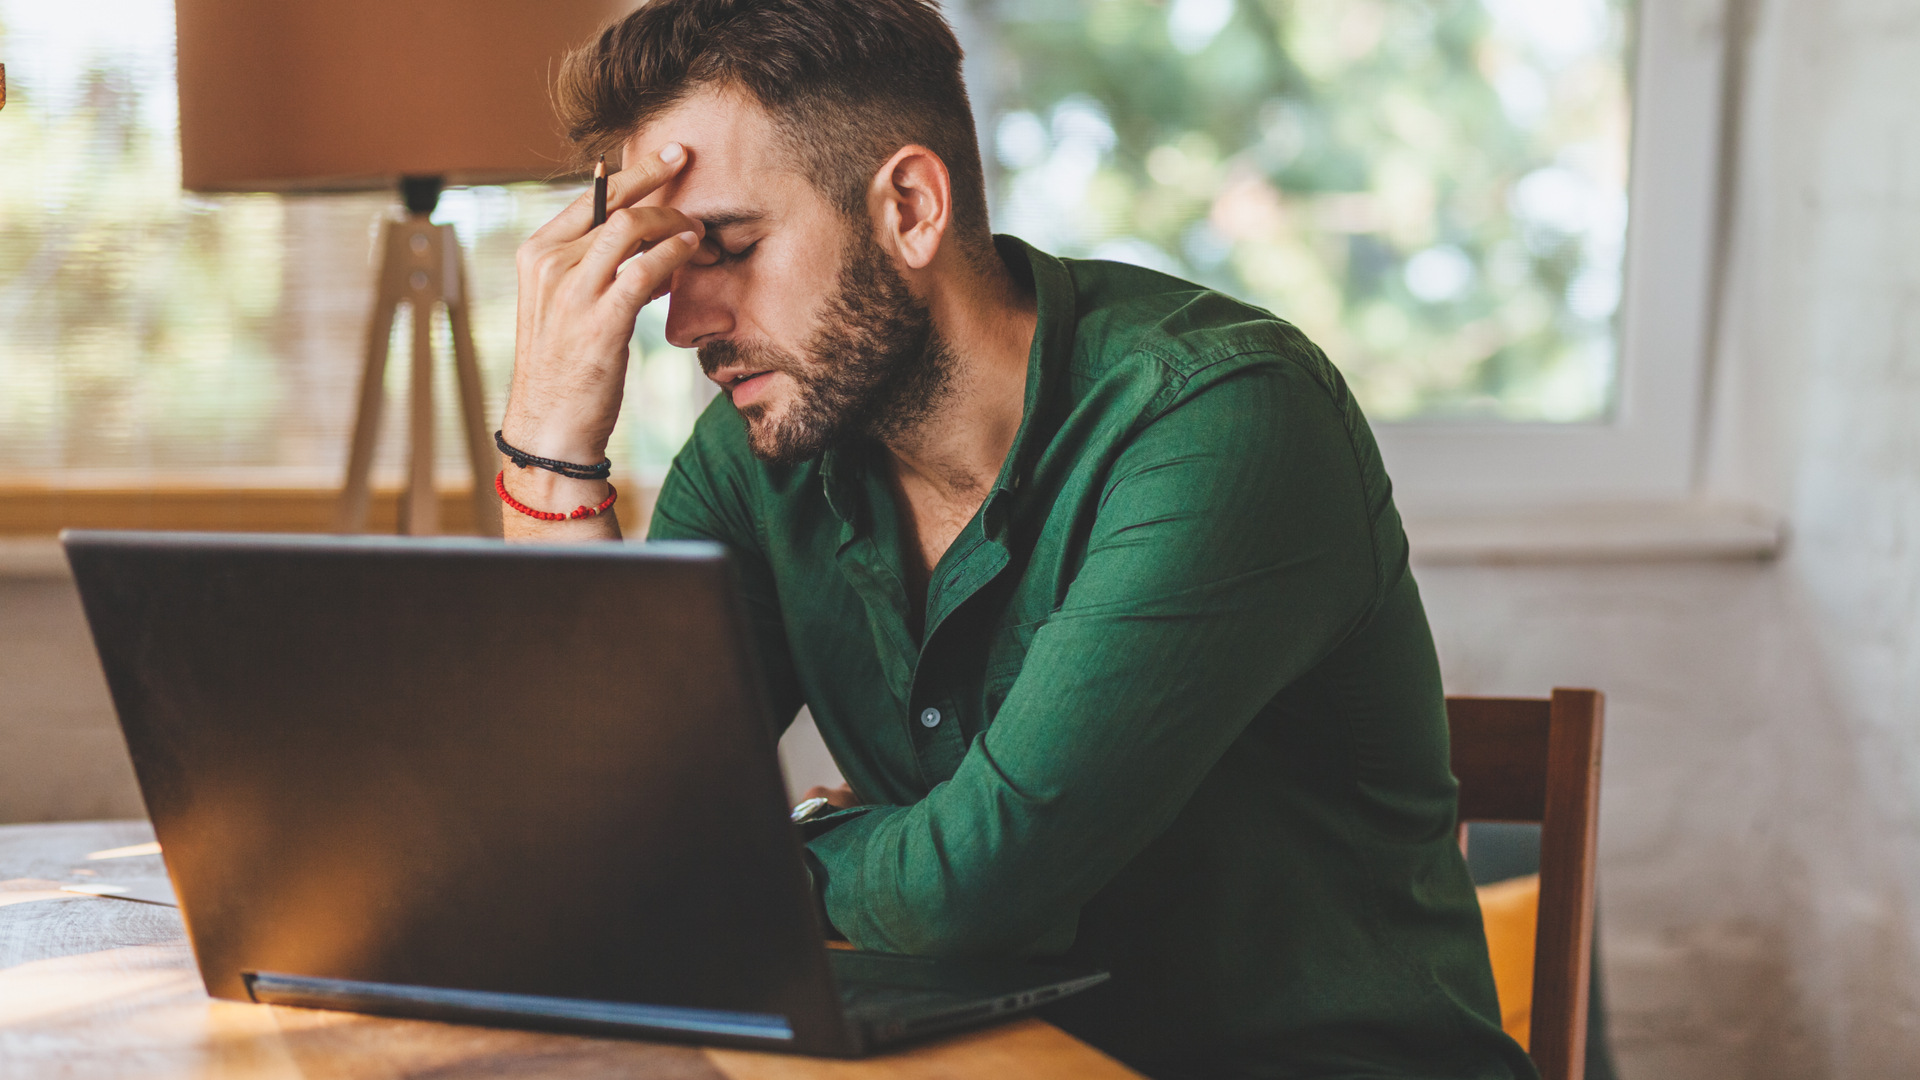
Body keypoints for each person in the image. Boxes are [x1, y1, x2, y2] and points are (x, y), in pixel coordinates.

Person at [498, 1, 1535, 1076]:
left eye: (727, 246)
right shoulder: (758, 454)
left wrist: (766, 842)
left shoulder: (1222, 421)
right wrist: (548, 444)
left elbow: (973, 889)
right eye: (669, 267)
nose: (686, 321)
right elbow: (596, 846)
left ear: (909, 205)